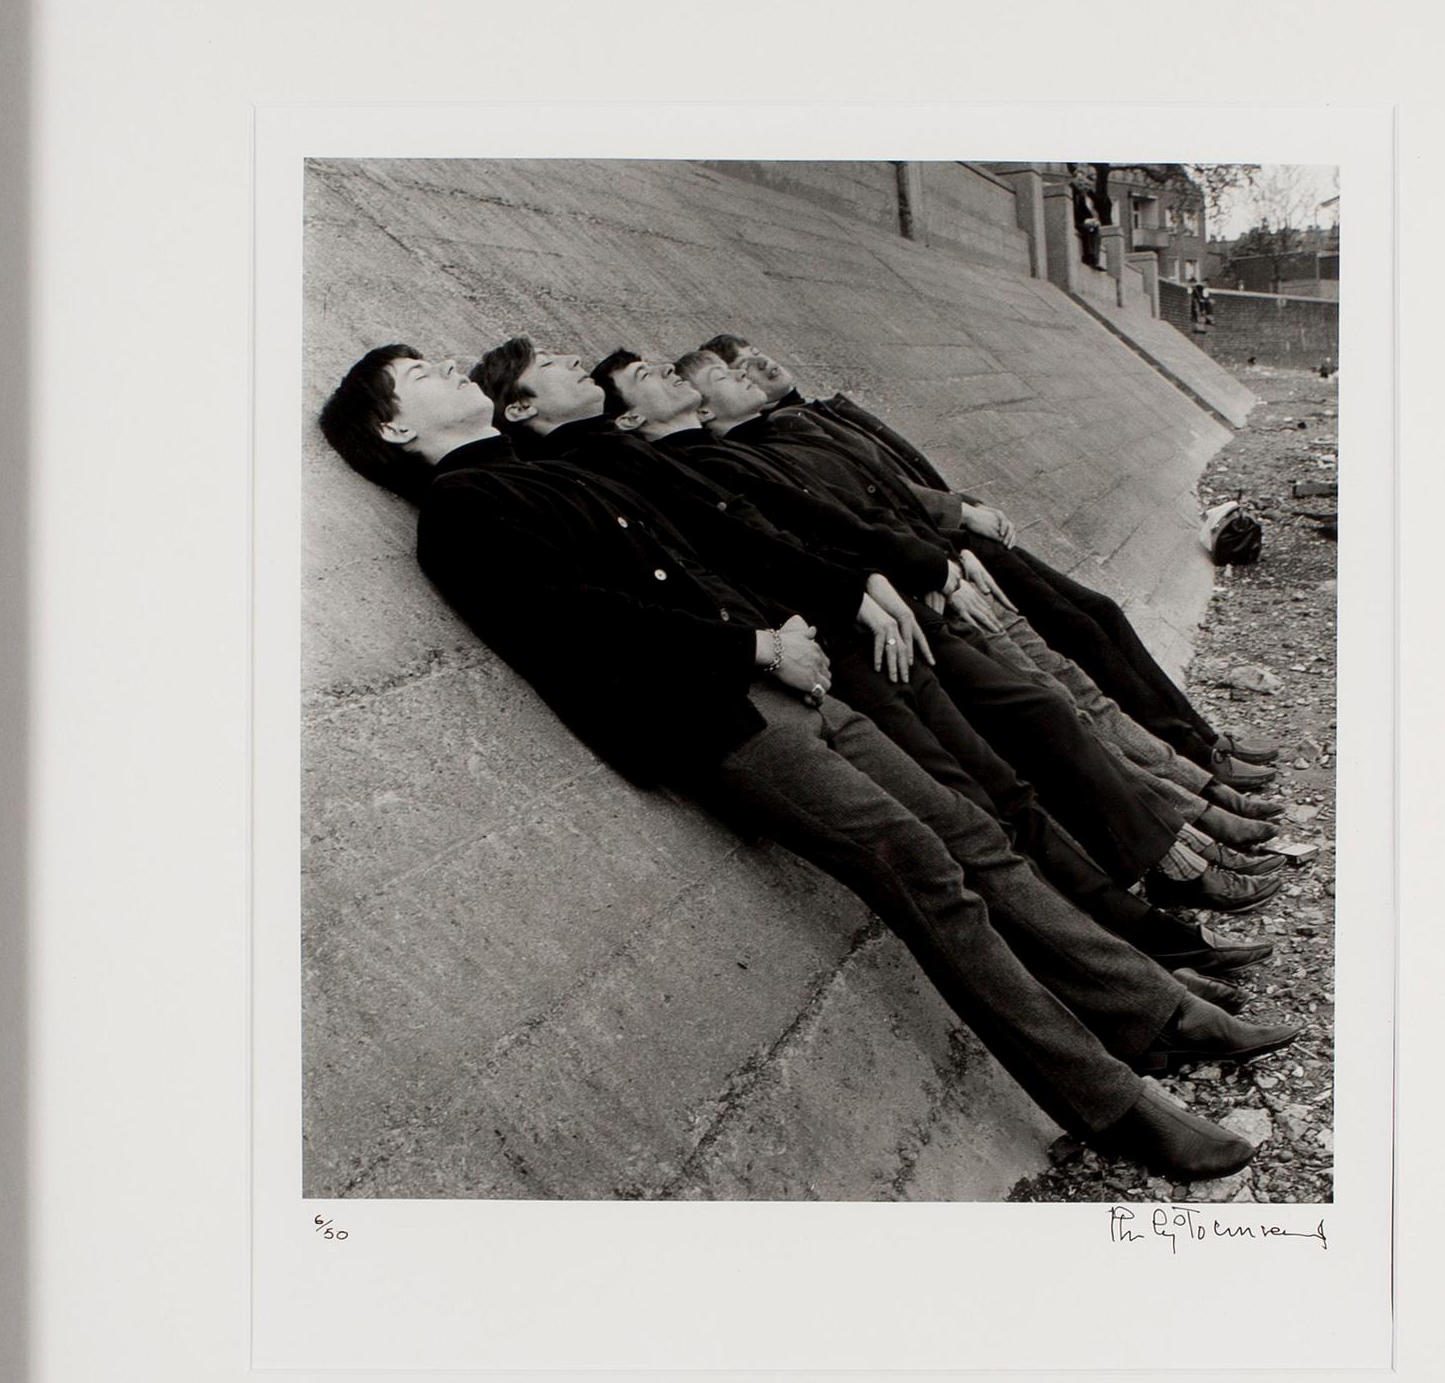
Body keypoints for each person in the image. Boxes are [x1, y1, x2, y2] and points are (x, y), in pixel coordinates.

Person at [318, 344, 1301, 1180]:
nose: (446, 363)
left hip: (787, 679)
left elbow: (686, 555)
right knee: (929, 875)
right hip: (720, 719)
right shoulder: (460, 506)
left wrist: (778, 627)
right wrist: (751, 646)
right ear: (397, 430)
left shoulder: (527, 468)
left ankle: (1155, 1011)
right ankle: (1113, 1102)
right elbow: (581, 615)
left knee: (968, 836)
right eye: (419, 372)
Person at [468, 336, 1273, 987]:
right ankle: (1143, 926)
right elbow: (743, 549)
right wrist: (856, 593)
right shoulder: (603, 467)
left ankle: (1152, 902)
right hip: (827, 645)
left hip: (853, 617)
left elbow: (791, 521)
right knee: (993, 784)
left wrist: (885, 575)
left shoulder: (648, 456)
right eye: (570, 368)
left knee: (1017, 753)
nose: (589, 367)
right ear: (527, 407)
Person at [698, 334, 1280, 791]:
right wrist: (953, 532)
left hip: (950, 541)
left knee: (1093, 622)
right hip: (945, 551)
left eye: (756, 355)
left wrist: (960, 510)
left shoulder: (812, 413)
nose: (761, 366)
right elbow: (871, 502)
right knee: (1076, 639)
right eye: (741, 368)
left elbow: (893, 476)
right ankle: (1197, 757)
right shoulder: (770, 441)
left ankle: (1201, 746)